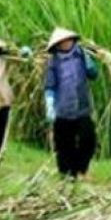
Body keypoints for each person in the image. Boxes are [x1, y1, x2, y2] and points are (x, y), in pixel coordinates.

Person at [43, 27, 98, 178]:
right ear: (57, 45)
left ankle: (80, 169)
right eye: (62, 42)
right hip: (63, 110)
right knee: (64, 145)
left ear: (73, 40)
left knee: (89, 140)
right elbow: (50, 85)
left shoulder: (81, 55)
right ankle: (67, 175)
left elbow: (94, 75)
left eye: (68, 40)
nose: (66, 43)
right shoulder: (53, 62)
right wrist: (49, 103)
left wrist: (90, 65)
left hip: (82, 108)